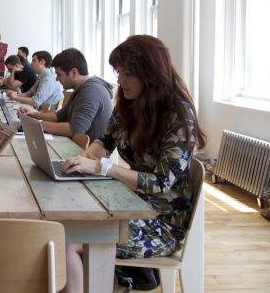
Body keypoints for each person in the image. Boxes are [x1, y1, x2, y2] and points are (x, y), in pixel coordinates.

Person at [61, 35, 207, 293]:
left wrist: (103, 168)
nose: (120, 81)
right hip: (130, 204)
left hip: (161, 223)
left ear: (150, 74)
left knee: (71, 240)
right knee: (66, 223)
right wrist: (83, 159)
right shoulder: (129, 102)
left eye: (127, 74)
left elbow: (161, 183)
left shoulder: (178, 114)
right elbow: (104, 142)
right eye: (119, 72)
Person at [20, 48, 112, 140]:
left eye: (59, 74)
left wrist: (39, 124)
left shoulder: (91, 91)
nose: (56, 79)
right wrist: (32, 114)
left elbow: (75, 129)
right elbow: (58, 117)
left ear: (74, 72)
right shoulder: (81, 89)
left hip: (85, 152)